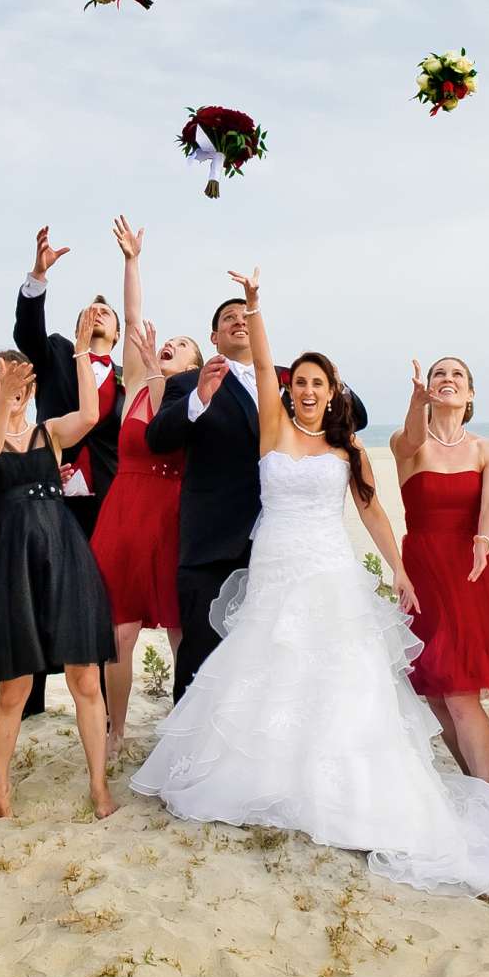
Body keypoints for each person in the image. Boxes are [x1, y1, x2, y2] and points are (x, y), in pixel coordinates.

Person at [131, 269, 489, 896]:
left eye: (317, 384)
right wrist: (256, 306)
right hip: (274, 563)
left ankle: (341, 788)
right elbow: (263, 360)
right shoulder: (272, 428)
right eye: (298, 382)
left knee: (341, 674)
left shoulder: (348, 451)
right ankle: (265, 779)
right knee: (267, 665)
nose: (305, 391)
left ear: (332, 393)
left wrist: (401, 573)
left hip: (328, 566)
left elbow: (375, 514)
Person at [146, 291, 368, 700]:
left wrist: (330, 379)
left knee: (274, 658)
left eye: (243, 314)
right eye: (228, 317)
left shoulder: (292, 380)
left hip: (281, 547)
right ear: (214, 337)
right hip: (213, 541)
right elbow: (158, 439)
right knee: (203, 655)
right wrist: (200, 399)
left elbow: (360, 417)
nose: (238, 321)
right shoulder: (188, 383)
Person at [0, 343, 117, 819]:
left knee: (86, 677)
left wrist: (80, 356)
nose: (15, 390)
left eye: (24, 383)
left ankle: (98, 786)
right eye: (4, 380)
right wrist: (0, 405)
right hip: (13, 562)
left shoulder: (48, 432)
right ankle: (2, 789)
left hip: (66, 553)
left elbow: (90, 415)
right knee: (15, 686)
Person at [392, 355, 489, 784]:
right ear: (428, 388)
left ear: (470, 394)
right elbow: (410, 439)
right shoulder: (409, 444)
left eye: (457, 374)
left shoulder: (487, 449)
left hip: (470, 573)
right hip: (423, 574)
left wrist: (484, 538)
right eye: (440, 373)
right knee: (436, 695)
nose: (448, 379)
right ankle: (474, 785)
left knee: (460, 694)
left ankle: (488, 799)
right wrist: (416, 404)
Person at [88, 220, 201, 753]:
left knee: (182, 631)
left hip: (173, 516)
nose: (166, 346)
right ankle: (115, 730)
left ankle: (191, 724)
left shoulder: (196, 400)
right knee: (120, 633)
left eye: (179, 346)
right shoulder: (133, 383)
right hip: (125, 512)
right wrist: (132, 261)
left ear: (194, 366)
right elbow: (133, 317)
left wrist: (167, 381)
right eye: (166, 343)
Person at [13, 225, 125, 717]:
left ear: (117, 334)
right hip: (49, 491)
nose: (98, 314)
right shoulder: (57, 351)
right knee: (41, 587)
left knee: (96, 594)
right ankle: (33, 698)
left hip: (105, 496)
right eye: (91, 310)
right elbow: (26, 334)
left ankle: (96, 697)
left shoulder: (126, 379)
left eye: (107, 313)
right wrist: (38, 276)